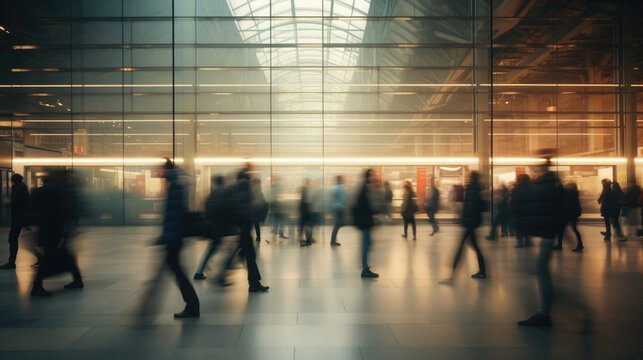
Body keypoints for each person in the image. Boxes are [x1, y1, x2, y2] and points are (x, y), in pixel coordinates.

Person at [516, 154, 564, 327]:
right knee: (541, 271)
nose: (535, 172)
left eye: (537, 169)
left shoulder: (545, 187)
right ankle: (547, 308)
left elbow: (541, 210)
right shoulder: (548, 186)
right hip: (547, 234)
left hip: (547, 235)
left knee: (541, 272)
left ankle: (548, 310)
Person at [153, 159, 199, 317]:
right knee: (175, 268)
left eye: (160, 170)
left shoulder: (174, 185)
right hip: (174, 235)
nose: (158, 172)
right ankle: (192, 304)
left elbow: (173, 215)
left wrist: (167, 236)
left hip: (174, 236)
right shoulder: (177, 183)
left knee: (176, 269)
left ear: (166, 170)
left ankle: (192, 305)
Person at [30, 170, 84, 296]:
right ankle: (77, 280)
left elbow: (35, 209)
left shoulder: (43, 190)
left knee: (55, 255)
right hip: (55, 228)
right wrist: (70, 224)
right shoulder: (58, 190)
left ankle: (38, 285)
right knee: (60, 255)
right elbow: (64, 209)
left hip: (49, 228)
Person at [219, 168, 269, 292]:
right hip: (244, 228)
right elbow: (249, 208)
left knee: (246, 255)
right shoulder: (246, 189)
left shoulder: (236, 189)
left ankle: (252, 282)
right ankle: (253, 283)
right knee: (249, 256)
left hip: (241, 228)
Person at [441, 171, 486, 282]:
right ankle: (483, 271)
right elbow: (480, 207)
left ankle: (452, 275)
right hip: (472, 223)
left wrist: (465, 221)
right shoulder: (477, 190)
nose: (466, 178)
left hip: (469, 224)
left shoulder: (471, 190)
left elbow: (470, 208)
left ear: (471, 178)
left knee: (460, 248)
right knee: (474, 248)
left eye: (468, 177)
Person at [193, 175, 228, 280]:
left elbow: (207, 207)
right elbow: (225, 209)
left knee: (213, 248)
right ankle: (203, 272)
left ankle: (201, 270)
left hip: (212, 225)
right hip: (219, 226)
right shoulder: (222, 193)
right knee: (220, 249)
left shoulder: (211, 194)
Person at [0, 173, 30, 269]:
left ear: (14, 180)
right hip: (21, 217)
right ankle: (11, 261)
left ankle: (11, 262)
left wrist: (9, 202)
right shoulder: (22, 188)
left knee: (12, 238)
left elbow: (16, 203)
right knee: (13, 238)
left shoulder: (18, 189)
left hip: (18, 218)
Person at [353, 169, 378, 278]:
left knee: (367, 244)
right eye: (372, 175)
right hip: (364, 221)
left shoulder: (364, 187)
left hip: (364, 221)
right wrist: (374, 211)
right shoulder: (365, 188)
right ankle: (365, 269)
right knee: (366, 244)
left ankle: (365, 266)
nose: (374, 177)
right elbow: (364, 205)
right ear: (368, 176)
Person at [555, 182, 583, 252]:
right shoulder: (573, 193)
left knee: (562, 229)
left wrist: (560, 186)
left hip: (569, 214)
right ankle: (579, 244)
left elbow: (561, 193)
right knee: (573, 229)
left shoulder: (571, 193)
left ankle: (560, 245)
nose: (567, 186)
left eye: (569, 185)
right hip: (572, 213)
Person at [511, 174, 532, 248]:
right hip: (528, 212)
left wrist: (512, 210)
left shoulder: (516, 189)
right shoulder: (531, 188)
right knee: (527, 226)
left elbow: (513, 201)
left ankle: (520, 242)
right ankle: (528, 241)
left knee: (519, 227)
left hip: (518, 212)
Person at [269, 176, 288, 241]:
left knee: (277, 221)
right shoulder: (280, 187)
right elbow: (281, 196)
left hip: (276, 208)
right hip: (280, 207)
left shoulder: (274, 187)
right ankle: (280, 233)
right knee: (281, 221)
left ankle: (277, 232)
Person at [330, 175, 346, 246]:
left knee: (338, 224)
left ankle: (333, 238)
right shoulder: (340, 188)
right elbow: (343, 199)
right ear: (340, 180)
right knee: (338, 224)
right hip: (339, 208)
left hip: (336, 207)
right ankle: (333, 240)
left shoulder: (335, 187)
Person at [251, 178, 268, 243]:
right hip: (257, 209)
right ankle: (258, 237)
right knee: (256, 224)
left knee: (252, 224)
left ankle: (253, 237)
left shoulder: (252, 189)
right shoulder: (260, 191)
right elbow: (263, 201)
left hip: (253, 209)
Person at [298, 179, 314, 246]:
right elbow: (308, 200)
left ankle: (304, 238)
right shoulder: (307, 190)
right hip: (306, 209)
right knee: (306, 225)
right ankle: (307, 239)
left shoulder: (304, 189)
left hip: (304, 209)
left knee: (303, 225)